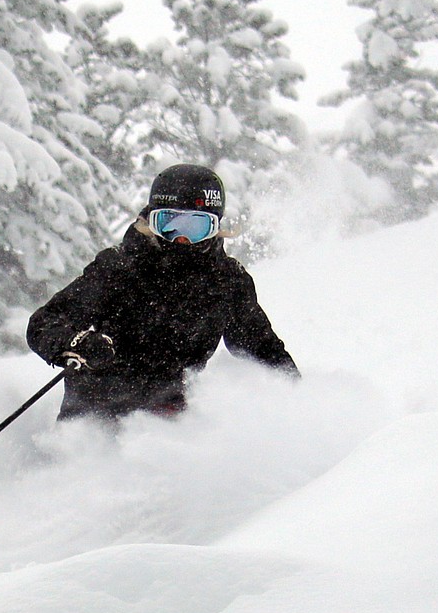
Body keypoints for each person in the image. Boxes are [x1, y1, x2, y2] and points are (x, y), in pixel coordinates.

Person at [27, 163, 298, 420]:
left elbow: (263, 350)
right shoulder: (119, 268)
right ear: (149, 221)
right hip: (93, 417)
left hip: (169, 428)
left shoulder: (227, 282)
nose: (181, 239)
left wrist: (301, 401)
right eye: (169, 223)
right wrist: (77, 344)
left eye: (196, 226)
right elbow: (44, 323)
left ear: (216, 228)